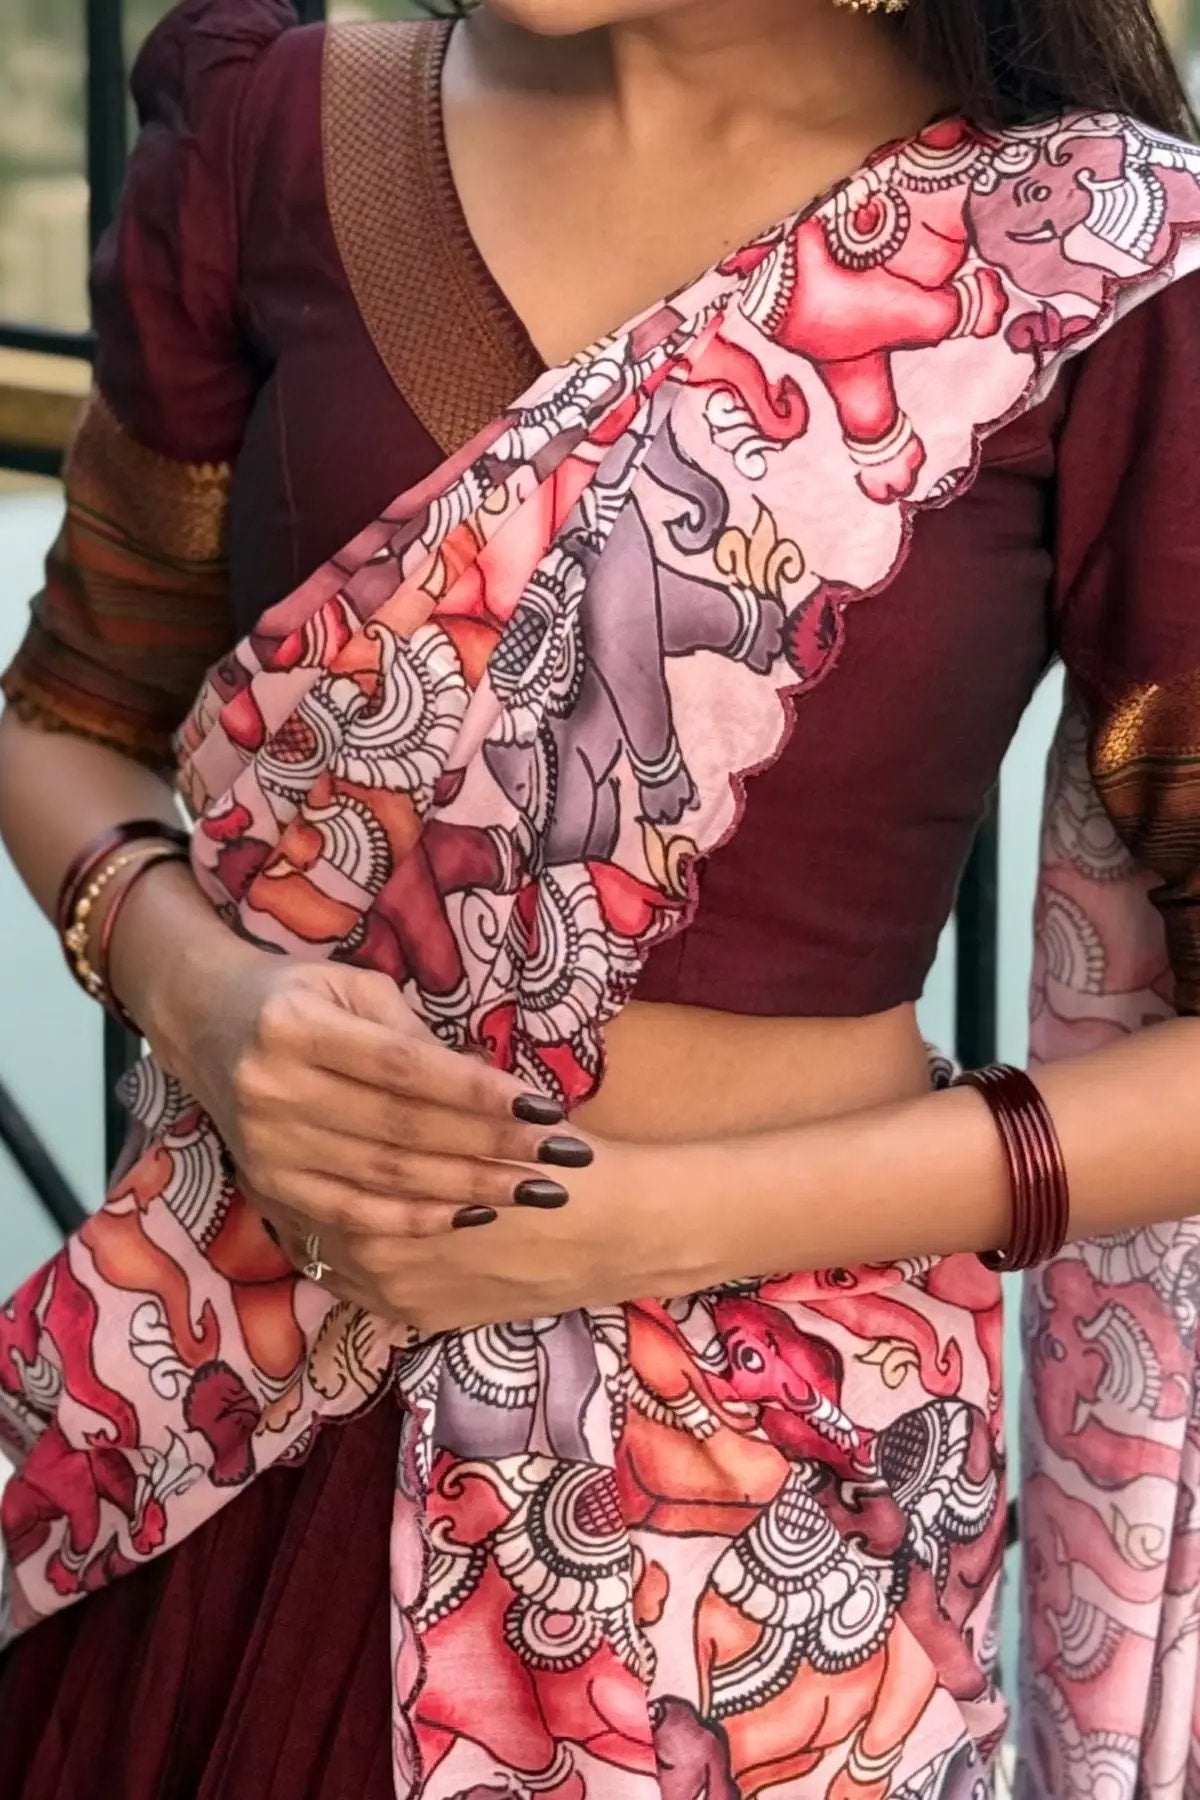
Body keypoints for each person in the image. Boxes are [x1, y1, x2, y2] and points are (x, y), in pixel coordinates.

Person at [0, 0, 1198, 1794]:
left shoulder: (1103, 264)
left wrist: (647, 1225)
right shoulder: (282, 128)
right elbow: (68, 719)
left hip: (756, 1559)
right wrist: (204, 999)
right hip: (207, 1434)